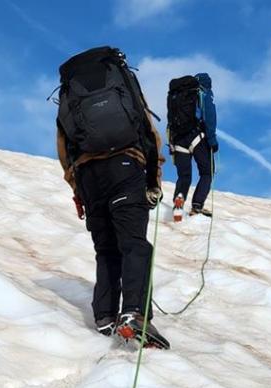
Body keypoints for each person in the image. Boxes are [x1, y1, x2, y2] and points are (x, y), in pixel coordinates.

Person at [55, 47, 168, 347]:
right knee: (135, 245)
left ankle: (104, 315)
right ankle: (134, 313)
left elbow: (65, 150)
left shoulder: (69, 95)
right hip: (125, 166)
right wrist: (153, 181)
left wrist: (79, 192)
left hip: (89, 178)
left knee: (106, 250)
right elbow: (147, 131)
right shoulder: (122, 83)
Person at [167, 72, 217, 219]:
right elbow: (209, 117)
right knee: (207, 172)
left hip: (177, 139)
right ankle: (197, 206)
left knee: (184, 176)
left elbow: (170, 120)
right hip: (196, 137)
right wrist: (212, 141)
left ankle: (179, 201)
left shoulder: (176, 95)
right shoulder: (203, 93)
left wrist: (171, 143)